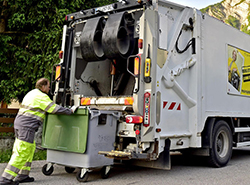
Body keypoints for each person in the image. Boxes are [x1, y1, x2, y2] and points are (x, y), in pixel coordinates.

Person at [0, 78, 76, 185]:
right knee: (22, 152)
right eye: (49, 86)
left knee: (29, 149)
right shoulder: (41, 97)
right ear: (43, 86)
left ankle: (23, 175)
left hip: (21, 124)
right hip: (26, 127)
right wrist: (70, 111)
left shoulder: (32, 93)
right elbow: (54, 109)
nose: (50, 88)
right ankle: (5, 179)